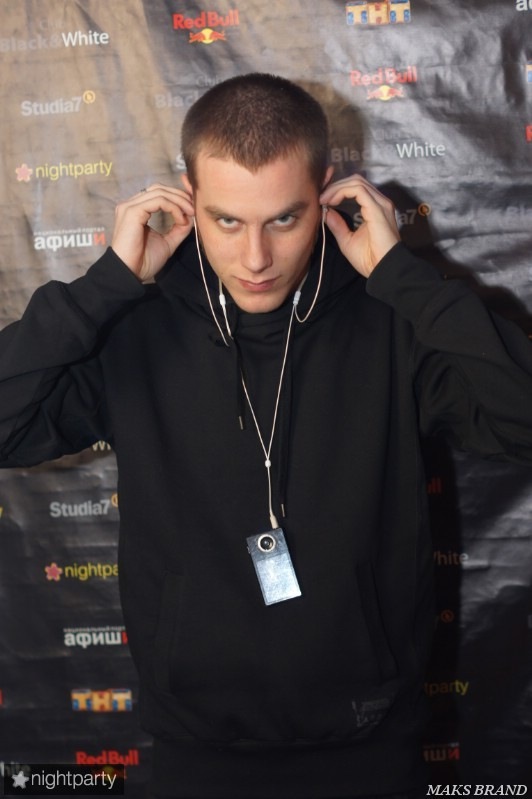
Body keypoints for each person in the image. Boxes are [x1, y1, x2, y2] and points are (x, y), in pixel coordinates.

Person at [1, 73, 531, 799]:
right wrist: (104, 287)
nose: (256, 258)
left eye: (284, 219)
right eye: (226, 221)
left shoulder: (392, 322)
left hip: (371, 743)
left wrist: (405, 280)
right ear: (187, 198)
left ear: (327, 195)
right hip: (199, 747)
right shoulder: (132, 327)